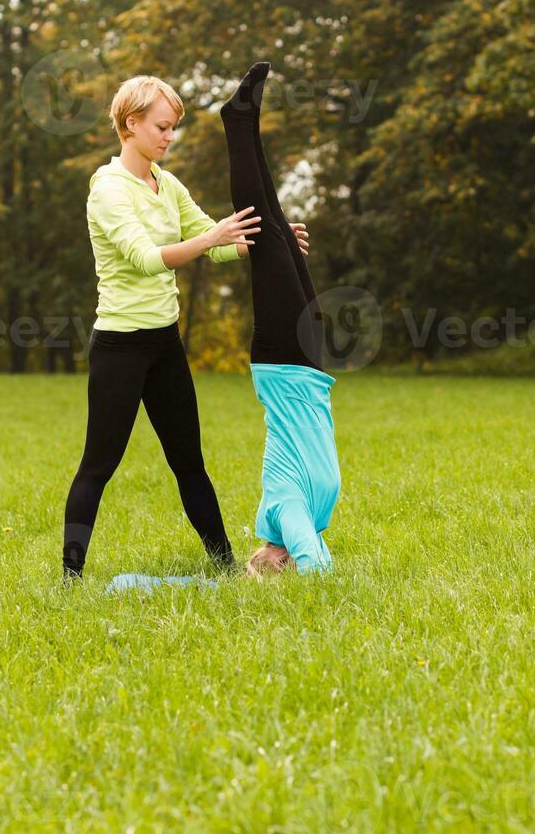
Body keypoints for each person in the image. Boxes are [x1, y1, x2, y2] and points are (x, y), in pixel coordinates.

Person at [62, 74, 265, 581]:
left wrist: (272, 243)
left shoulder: (166, 184)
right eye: (161, 126)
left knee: (189, 462)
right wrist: (213, 236)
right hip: (120, 348)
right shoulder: (109, 190)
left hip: (164, 345)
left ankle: (227, 567)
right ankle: (70, 578)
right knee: (99, 464)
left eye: (173, 127)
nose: (169, 136)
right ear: (130, 124)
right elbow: (148, 259)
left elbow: (215, 243)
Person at [219, 62, 342, 579]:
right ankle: (247, 120)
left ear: (274, 557)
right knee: (277, 231)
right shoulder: (308, 525)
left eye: (274, 564)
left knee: (261, 226)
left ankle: (238, 120)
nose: (280, 560)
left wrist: (308, 579)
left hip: (284, 367)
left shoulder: (282, 513)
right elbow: (318, 553)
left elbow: (314, 563)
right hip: (305, 370)